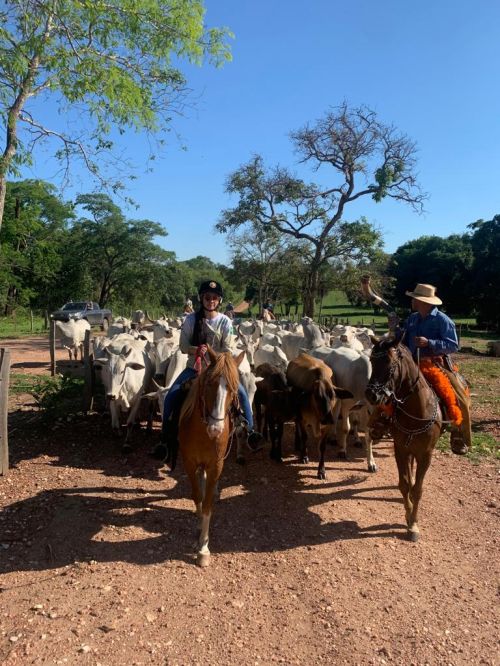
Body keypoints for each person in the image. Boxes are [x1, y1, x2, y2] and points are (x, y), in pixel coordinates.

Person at [152, 280, 264, 461]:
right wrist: (195, 350)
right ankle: (165, 438)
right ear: (201, 298)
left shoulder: (225, 321)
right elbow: (182, 345)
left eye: (214, 298)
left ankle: (250, 431)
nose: (211, 300)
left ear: (219, 300)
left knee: (242, 392)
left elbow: (227, 349)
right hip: (194, 367)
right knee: (172, 394)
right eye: (207, 297)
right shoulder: (190, 320)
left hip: (219, 368)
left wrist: (213, 354)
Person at [371, 283, 471, 454]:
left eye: (415, 299)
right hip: (411, 364)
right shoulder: (412, 319)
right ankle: (382, 420)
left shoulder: (442, 320)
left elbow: (453, 345)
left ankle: (458, 432)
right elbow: (401, 339)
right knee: (387, 383)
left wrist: (429, 343)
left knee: (456, 394)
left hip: (435, 363)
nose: (412, 301)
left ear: (423, 301)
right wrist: (394, 328)